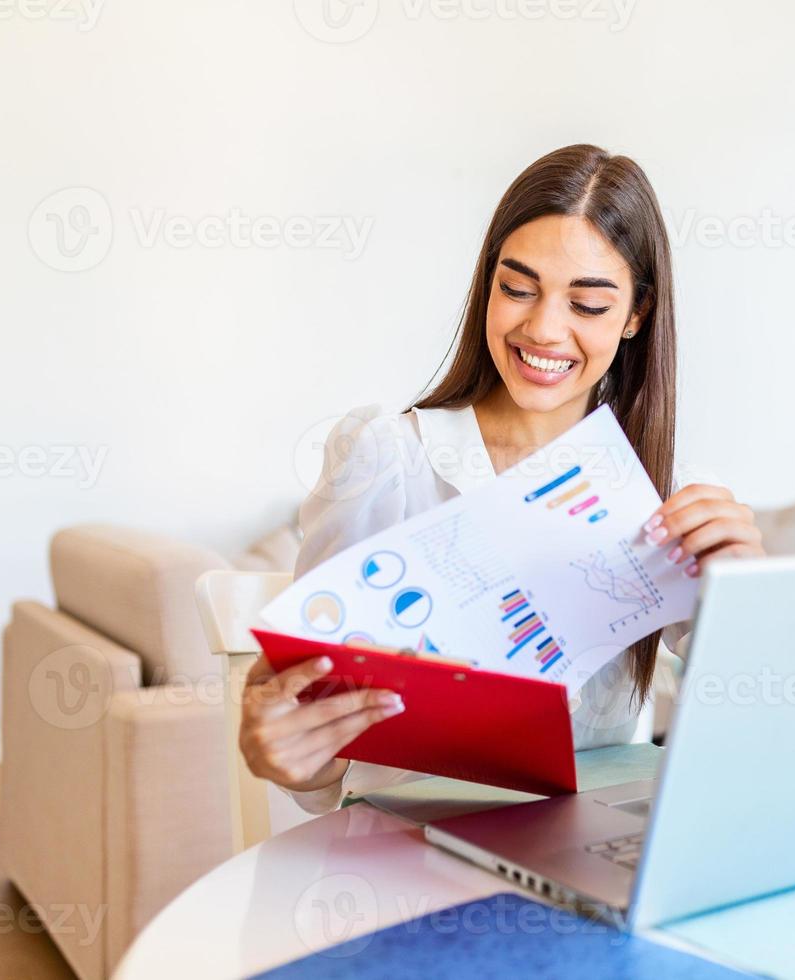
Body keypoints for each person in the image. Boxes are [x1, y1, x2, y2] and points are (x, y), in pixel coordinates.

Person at [239, 144, 765, 812]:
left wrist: (752, 600)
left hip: (583, 849)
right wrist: (289, 758)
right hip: (406, 851)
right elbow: (321, 758)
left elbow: (759, 726)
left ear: (636, 315)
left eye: (589, 305)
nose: (544, 329)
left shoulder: (665, 492)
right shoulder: (388, 459)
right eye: (517, 289)